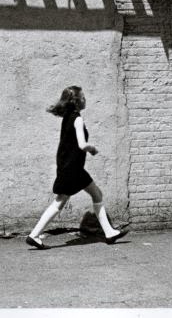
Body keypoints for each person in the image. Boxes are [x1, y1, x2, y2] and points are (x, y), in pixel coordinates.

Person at [26, 85, 128, 249]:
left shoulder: (67, 117)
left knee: (92, 195)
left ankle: (109, 232)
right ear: (77, 101)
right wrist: (92, 148)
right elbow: (82, 144)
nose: (85, 99)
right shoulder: (77, 119)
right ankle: (34, 235)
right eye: (83, 97)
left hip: (69, 167)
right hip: (73, 169)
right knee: (62, 201)